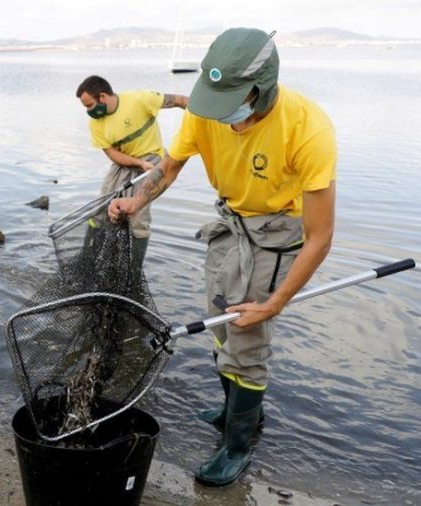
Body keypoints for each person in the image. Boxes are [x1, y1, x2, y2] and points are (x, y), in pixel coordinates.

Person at [108, 28, 337, 486]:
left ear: (262, 87)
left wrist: (275, 304)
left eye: (231, 99)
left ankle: (238, 445)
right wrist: (136, 200)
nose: (220, 111)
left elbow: (320, 237)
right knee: (219, 323)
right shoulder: (206, 110)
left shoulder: (308, 128)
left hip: (277, 231)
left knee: (247, 336)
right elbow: (169, 167)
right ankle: (237, 409)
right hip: (229, 223)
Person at [76, 76, 187, 274]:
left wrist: (207, 119)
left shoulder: (140, 99)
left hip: (151, 161)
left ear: (102, 96)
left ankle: (132, 275)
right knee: (101, 209)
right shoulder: (95, 124)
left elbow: (180, 100)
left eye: (90, 105)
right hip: (124, 163)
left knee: (137, 218)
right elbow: (112, 154)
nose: (89, 111)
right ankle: (86, 263)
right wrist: (137, 163)